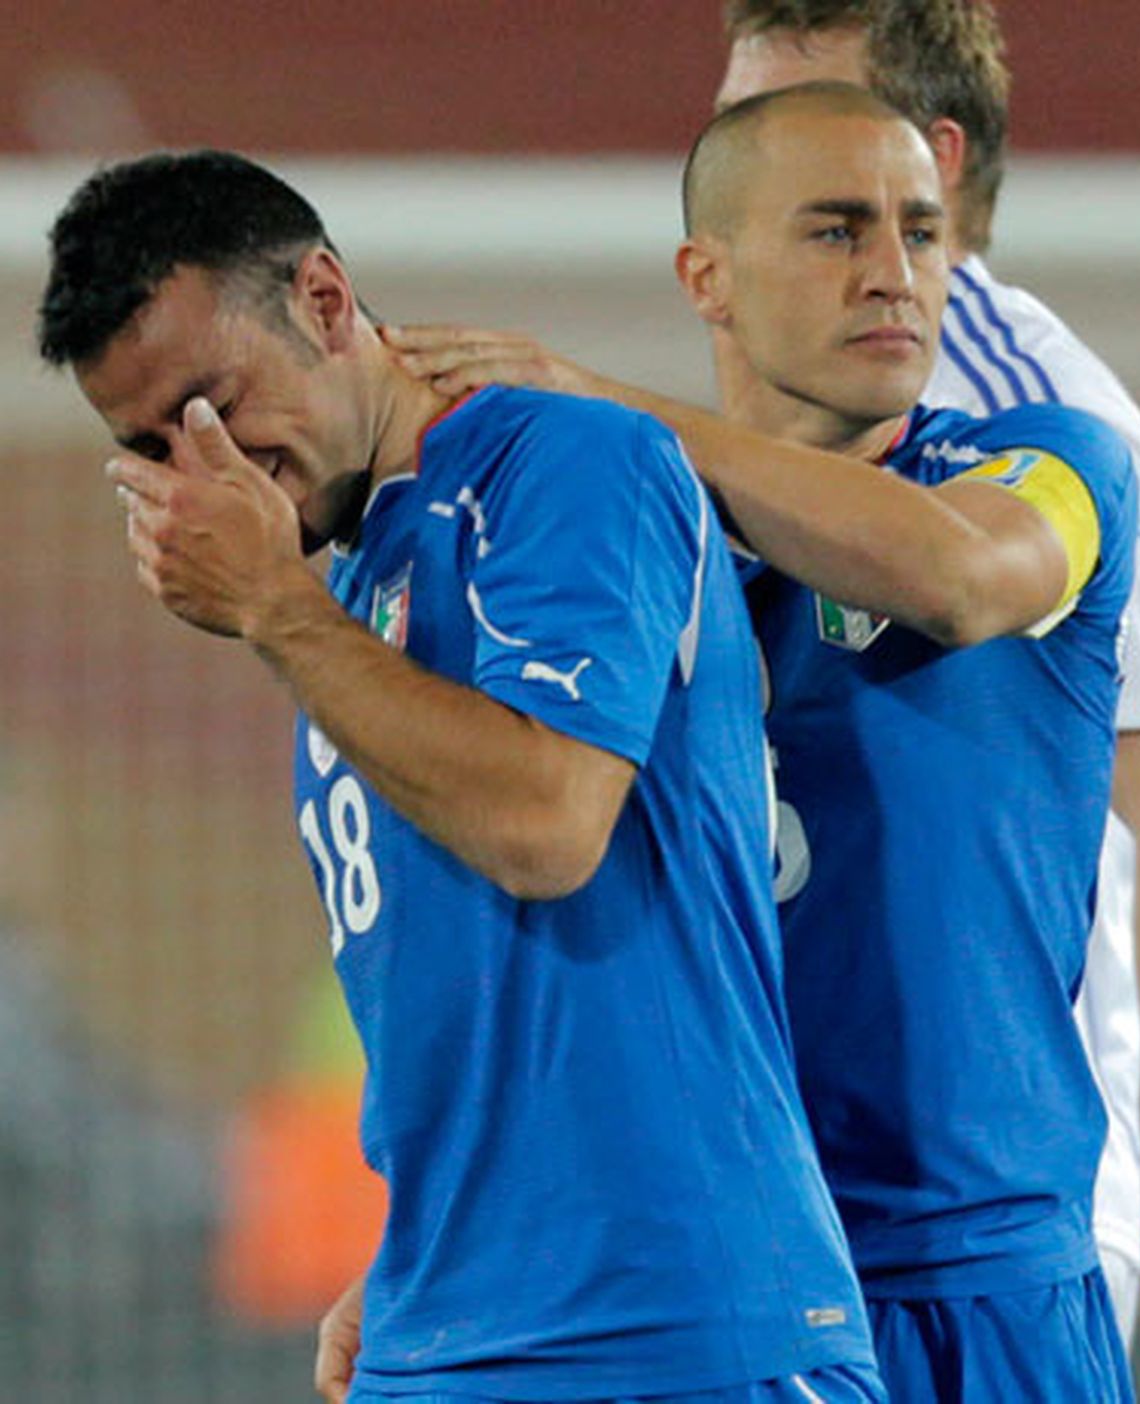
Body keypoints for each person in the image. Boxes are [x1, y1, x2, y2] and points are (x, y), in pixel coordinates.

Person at [37, 150, 886, 1404]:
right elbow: (473, 993)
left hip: (673, 1328)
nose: (205, 470)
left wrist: (274, 608)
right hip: (449, 1326)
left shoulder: (566, 468)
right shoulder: (348, 599)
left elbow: (548, 825)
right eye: (151, 447)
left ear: (325, 300)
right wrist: (425, 1245)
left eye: (213, 409)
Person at [391, 83, 1138, 1401]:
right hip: (724, 1305)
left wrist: (598, 404)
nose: (895, 275)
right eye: (838, 232)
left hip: (983, 1293)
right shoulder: (633, 573)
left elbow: (957, 579)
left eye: (921, 232)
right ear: (709, 276)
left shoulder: (1051, 465)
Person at [711, 5, 1140, 1399]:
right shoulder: (785, 417)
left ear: (920, 157)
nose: (738, 147)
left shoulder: (1035, 411)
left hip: (1025, 1222)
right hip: (807, 1225)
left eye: (781, 111)